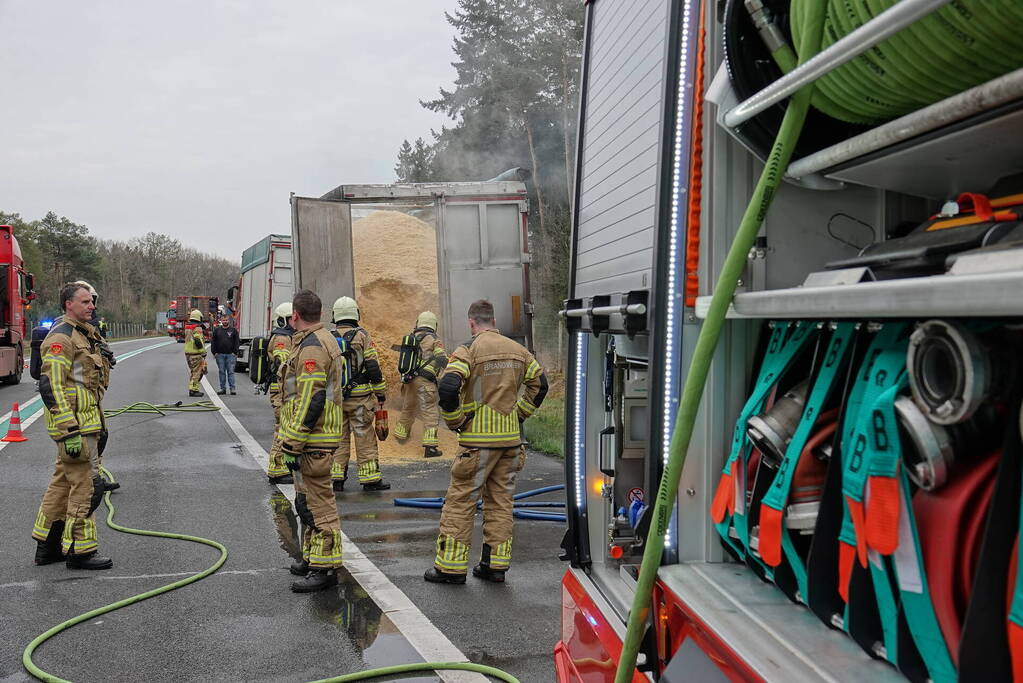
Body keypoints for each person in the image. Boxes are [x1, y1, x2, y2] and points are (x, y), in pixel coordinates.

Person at [424, 300, 548, 585]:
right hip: (510, 443)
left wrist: (456, 421)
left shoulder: (468, 350)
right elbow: (540, 384)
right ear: (493, 320)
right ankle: (494, 566)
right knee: (501, 503)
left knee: (460, 502)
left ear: (471, 323)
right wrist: (519, 415)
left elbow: (448, 386)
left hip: (477, 444)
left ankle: (450, 569)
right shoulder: (519, 351)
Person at [31, 282, 113, 570]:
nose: (91, 306)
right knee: (87, 486)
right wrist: (69, 431)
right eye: (85, 301)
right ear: (68, 304)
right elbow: (50, 385)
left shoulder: (84, 334)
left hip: (86, 423)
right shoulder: (61, 338)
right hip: (76, 427)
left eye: (92, 301)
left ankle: (48, 546)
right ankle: (80, 550)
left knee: (62, 484)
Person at [277, 290, 347, 592]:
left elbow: (311, 398)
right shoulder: (314, 341)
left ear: (295, 315)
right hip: (313, 437)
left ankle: (326, 568)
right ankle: (311, 557)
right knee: (305, 501)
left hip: (313, 438)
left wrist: (292, 442)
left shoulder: (312, 348)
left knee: (320, 505)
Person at [329, 296, 390, 492]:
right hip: (360, 399)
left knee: (338, 438)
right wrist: (380, 392)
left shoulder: (328, 337)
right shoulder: (362, 336)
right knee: (364, 436)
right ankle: (370, 480)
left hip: (336, 400)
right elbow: (372, 365)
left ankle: (336, 479)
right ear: (355, 314)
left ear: (335, 315)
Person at [394, 311, 448, 458]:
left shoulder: (411, 338)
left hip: (409, 382)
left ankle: (399, 438)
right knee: (430, 412)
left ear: (418, 323)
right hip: (425, 382)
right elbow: (442, 358)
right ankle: (430, 448)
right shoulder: (434, 339)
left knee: (408, 409)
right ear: (434, 325)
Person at [266, 302, 296, 485]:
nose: (295, 322)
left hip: (286, 389)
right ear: (283, 320)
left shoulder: (289, 336)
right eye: (291, 319)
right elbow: (282, 362)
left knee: (286, 427)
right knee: (282, 428)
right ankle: (276, 469)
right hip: (281, 390)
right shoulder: (282, 338)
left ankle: (283, 466)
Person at [211, 317, 240, 395]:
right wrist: (214, 353)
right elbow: (213, 342)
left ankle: (232, 389)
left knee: (231, 372)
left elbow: (237, 341)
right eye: (223, 320)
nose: (225, 321)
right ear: (221, 321)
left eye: (226, 320)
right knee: (222, 372)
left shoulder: (233, 330)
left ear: (228, 321)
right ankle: (222, 389)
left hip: (231, 355)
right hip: (220, 355)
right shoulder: (217, 330)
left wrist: (235, 352)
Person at [184, 309, 207, 397]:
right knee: (197, 372)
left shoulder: (187, 326)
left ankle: (192, 388)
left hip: (188, 353)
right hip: (196, 353)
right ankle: (193, 390)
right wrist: (203, 351)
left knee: (194, 371)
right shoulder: (197, 327)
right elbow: (198, 340)